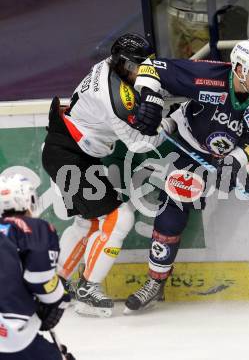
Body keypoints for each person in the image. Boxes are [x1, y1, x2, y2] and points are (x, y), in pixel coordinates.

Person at [124, 38, 249, 313]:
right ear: (240, 69)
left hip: (232, 153)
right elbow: (151, 67)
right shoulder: (207, 76)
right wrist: (150, 102)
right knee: (174, 199)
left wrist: (235, 162)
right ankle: (155, 282)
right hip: (191, 145)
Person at [41, 33, 175, 317]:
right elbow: (140, 143)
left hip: (67, 150)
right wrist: (171, 124)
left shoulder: (112, 66)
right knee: (119, 218)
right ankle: (87, 290)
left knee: (88, 223)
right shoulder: (115, 96)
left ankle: (55, 286)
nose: (145, 71)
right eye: (141, 66)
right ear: (124, 64)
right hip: (69, 156)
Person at [0, 174, 73, 359]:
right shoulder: (33, 228)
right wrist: (60, 297)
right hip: (9, 333)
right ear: (28, 200)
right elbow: (40, 280)